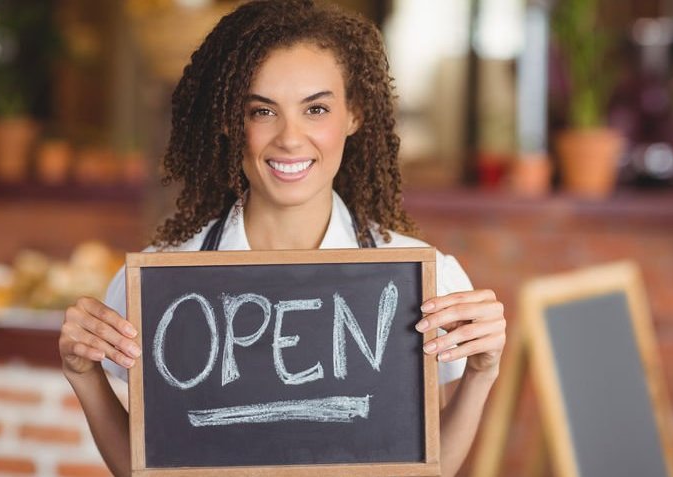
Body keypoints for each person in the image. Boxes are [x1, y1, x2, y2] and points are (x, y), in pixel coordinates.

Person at [58, 1, 506, 475]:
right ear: (232, 122)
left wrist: (481, 375)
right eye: (263, 111)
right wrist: (84, 377)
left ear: (353, 115)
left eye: (316, 109)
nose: (290, 138)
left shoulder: (424, 277)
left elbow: (426, 468)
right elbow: (147, 470)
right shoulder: (154, 285)